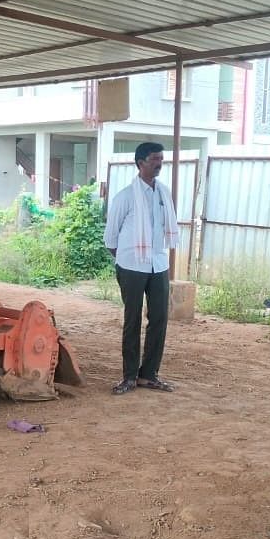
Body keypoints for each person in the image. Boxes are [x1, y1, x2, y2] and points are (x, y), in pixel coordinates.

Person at [103, 142, 180, 395]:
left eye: (161, 159)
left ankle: (149, 375)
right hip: (131, 265)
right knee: (132, 319)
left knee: (159, 318)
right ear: (140, 163)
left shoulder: (164, 194)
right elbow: (111, 238)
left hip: (158, 264)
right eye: (154, 159)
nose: (159, 163)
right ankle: (129, 376)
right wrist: (129, 259)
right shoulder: (125, 196)